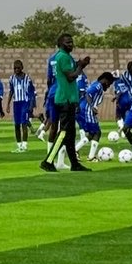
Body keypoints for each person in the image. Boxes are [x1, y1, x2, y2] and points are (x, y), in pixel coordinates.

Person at [42, 32, 92, 172]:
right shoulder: (62, 57)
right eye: (67, 42)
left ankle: (74, 164)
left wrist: (80, 63)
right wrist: (81, 67)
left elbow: (71, 68)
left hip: (68, 98)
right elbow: (71, 76)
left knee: (70, 134)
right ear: (60, 44)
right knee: (64, 132)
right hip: (65, 99)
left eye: (71, 42)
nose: (71, 44)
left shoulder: (66, 57)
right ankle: (48, 161)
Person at [77, 70, 115, 160]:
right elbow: (88, 94)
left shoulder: (98, 85)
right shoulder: (97, 86)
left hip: (86, 109)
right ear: (105, 80)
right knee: (97, 132)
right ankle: (86, 155)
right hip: (87, 110)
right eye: (109, 83)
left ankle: (89, 156)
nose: (109, 86)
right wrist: (92, 106)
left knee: (92, 133)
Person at [8, 59, 35, 152]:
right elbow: (11, 91)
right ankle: (19, 145)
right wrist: (8, 104)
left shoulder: (27, 78)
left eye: (18, 68)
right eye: (15, 68)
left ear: (22, 68)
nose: (16, 70)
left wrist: (31, 105)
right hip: (16, 103)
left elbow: (31, 93)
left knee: (24, 123)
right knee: (16, 124)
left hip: (24, 102)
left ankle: (25, 145)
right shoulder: (12, 78)